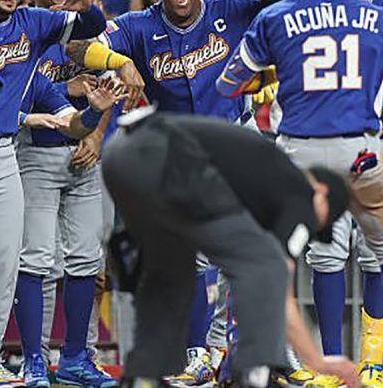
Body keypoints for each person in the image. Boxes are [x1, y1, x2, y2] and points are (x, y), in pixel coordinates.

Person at [216, 0, 383, 387]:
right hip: (361, 148)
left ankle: (245, 354)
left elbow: (228, 84)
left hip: (297, 153)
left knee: (271, 255)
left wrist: (276, 74)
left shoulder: (278, 14)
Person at [79, 0, 293, 385]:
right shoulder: (140, 25)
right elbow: (80, 50)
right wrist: (119, 60)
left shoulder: (229, 7)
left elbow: (296, 9)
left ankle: (250, 348)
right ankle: (199, 355)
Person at [100, 111, 360, 388]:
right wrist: (318, 361)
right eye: (321, 219)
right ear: (321, 191)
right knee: (266, 265)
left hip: (120, 153)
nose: (312, 226)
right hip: (167, 158)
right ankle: (254, 371)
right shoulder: (299, 192)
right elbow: (277, 280)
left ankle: (144, 374)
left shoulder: (264, 179)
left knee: (172, 271)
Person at [0, 0, 107, 386]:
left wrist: (87, 8)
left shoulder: (32, 23)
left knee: (3, 266)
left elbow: (88, 25)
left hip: (5, 154)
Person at [12, 0, 146, 388]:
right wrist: (64, 86)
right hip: (33, 153)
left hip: (82, 156)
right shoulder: (20, 24)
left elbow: (89, 47)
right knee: (37, 261)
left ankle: (75, 357)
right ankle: (34, 360)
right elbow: (25, 87)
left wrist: (120, 64)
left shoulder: (74, 20)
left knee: (87, 260)